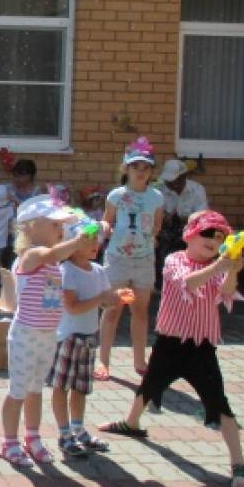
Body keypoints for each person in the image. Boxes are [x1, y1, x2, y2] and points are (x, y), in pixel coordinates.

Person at [100, 210, 244, 487]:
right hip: (170, 342)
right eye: (208, 233)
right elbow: (188, 283)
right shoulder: (175, 260)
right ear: (190, 235)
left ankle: (239, 463)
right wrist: (221, 266)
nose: (214, 240)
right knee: (149, 386)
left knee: (219, 402)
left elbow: (227, 291)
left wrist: (231, 269)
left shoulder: (219, 264)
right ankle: (131, 423)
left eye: (221, 236)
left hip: (201, 347)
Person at [0, 195, 88, 467]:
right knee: (18, 390)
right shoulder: (32, 255)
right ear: (30, 227)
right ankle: (9, 441)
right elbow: (51, 253)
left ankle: (32, 437)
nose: (61, 230)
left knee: (36, 389)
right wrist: (76, 242)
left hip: (47, 335)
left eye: (62, 225)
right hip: (25, 334)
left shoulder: (55, 264)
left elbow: (58, 256)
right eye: (55, 224)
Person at [50, 212, 125, 458]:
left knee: (80, 388)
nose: (96, 245)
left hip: (88, 337)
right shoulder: (67, 271)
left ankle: (79, 429)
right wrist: (101, 299)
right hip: (69, 338)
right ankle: (64, 434)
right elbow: (72, 306)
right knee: (61, 387)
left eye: (98, 240)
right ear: (74, 244)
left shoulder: (98, 270)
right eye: (89, 240)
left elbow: (104, 304)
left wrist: (115, 300)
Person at [96, 137, 163, 380]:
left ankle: (139, 360)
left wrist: (145, 239)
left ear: (151, 171)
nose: (141, 172)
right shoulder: (116, 195)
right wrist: (102, 230)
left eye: (146, 167)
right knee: (112, 309)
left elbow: (157, 225)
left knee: (140, 311)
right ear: (126, 168)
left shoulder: (156, 197)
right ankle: (103, 360)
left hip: (144, 259)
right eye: (136, 167)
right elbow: (108, 220)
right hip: (118, 259)